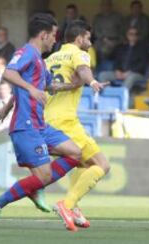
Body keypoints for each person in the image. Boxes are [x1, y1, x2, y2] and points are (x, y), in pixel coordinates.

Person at [0, 13, 83, 230]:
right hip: (26, 126)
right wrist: (30, 90)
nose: (55, 40)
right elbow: (9, 73)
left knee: (75, 153)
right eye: (54, 35)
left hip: (40, 125)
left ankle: (35, 186)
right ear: (44, 35)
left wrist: (72, 85)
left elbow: (48, 86)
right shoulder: (26, 52)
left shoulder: (39, 59)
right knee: (44, 175)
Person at [44, 20, 110, 231]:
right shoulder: (79, 53)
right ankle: (67, 204)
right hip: (66, 121)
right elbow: (83, 70)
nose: (90, 42)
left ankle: (74, 207)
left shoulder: (50, 58)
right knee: (101, 165)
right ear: (79, 37)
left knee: (82, 164)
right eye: (88, 37)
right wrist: (92, 82)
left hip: (49, 120)